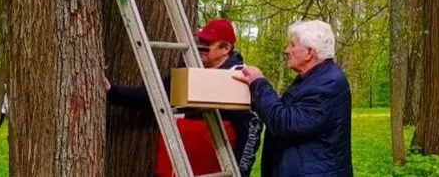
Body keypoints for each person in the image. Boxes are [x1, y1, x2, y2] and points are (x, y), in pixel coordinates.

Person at [104, 18, 261, 177]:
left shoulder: (239, 77)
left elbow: (251, 129)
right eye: (199, 40)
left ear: (225, 48)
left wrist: (241, 172)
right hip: (176, 166)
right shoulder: (191, 69)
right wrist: (113, 92)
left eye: (207, 43)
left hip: (211, 169)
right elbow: (156, 94)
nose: (200, 47)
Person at [236, 20, 353, 177]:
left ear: (309, 52)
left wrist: (259, 83)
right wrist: (258, 98)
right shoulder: (313, 78)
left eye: (292, 45)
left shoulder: (328, 84)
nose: (287, 50)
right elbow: (288, 112)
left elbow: (284, 124)